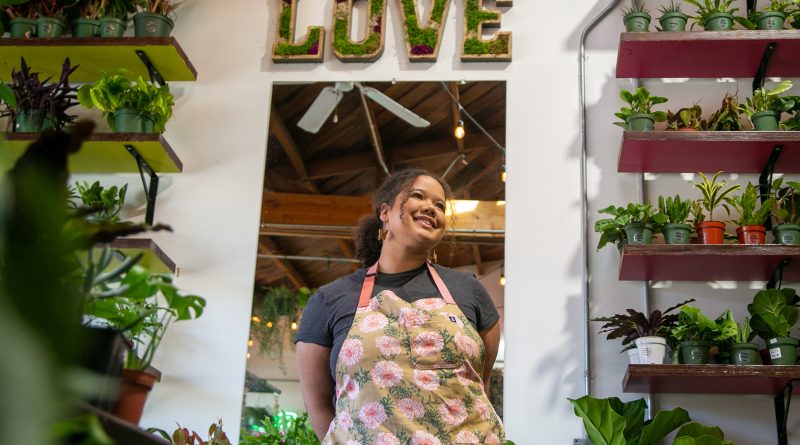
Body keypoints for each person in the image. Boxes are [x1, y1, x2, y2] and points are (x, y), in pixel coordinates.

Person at [295, 168, 505, 444]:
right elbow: (318, 405)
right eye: (418, 196)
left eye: (439, 205)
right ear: (385, 212)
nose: (431, 207)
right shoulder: (329, 299)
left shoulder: (469, 290)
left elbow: (479, 383)